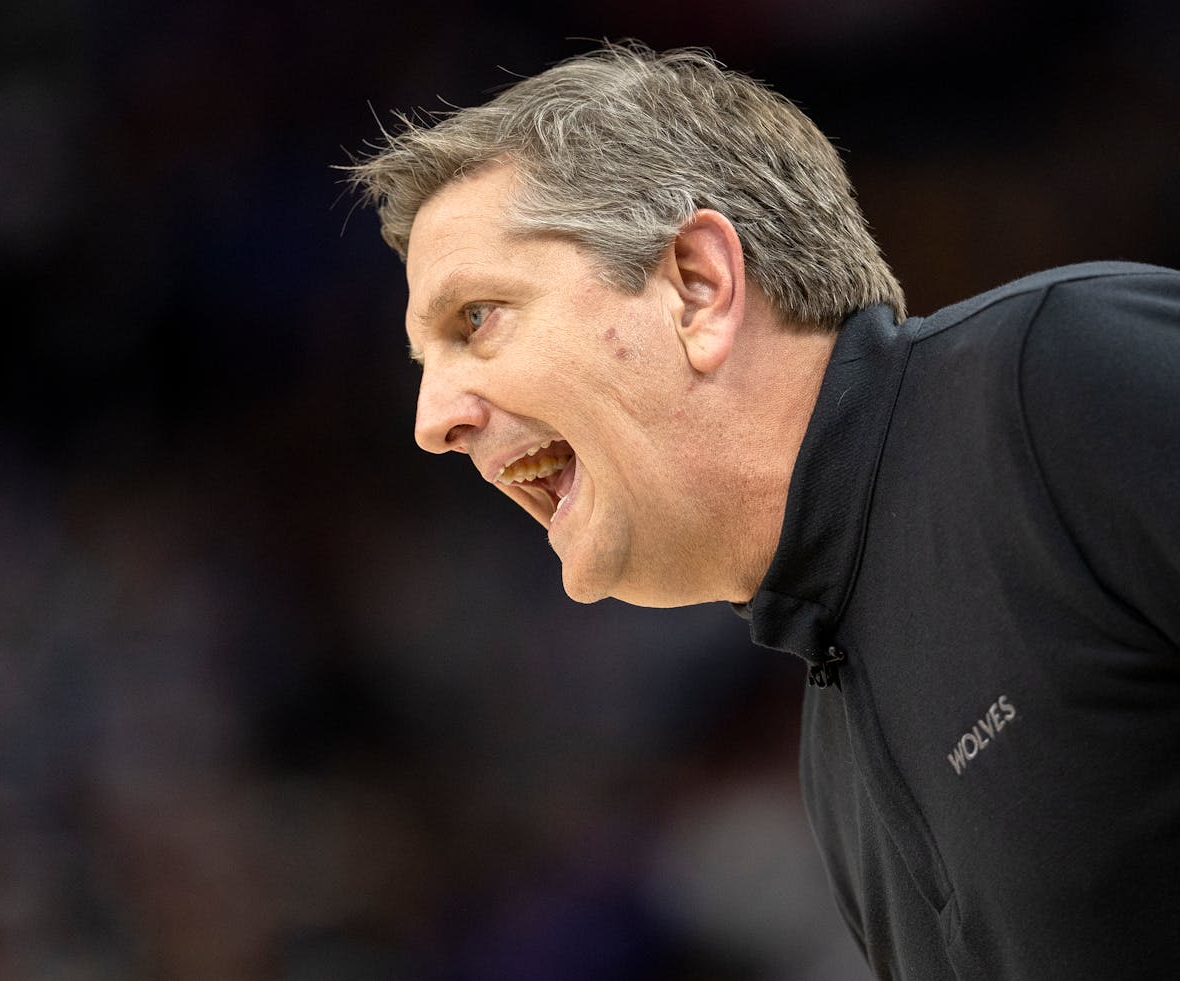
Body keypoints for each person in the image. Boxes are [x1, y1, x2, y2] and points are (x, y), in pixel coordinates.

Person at [344, 41, 1180, 979]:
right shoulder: (835, 751)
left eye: (477, 318)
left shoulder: (1058, 380)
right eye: (427, 366)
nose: (432, 422)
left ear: (698, 286)